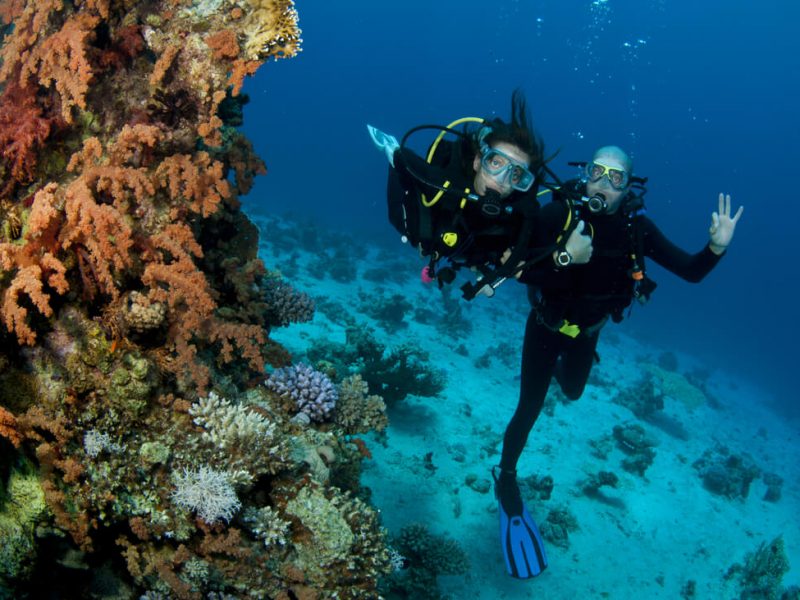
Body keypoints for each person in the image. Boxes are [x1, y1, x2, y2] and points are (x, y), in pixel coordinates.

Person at [493, 144, 743, 576]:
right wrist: (563, 254)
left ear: (629, 187)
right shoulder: (559, 215)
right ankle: (507, 478)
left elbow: (691, 270)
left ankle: (561, 374)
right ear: (584, 173)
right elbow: (512, 263)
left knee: (571, 391)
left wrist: (715, 248)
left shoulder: (636, 231)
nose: (603, 185)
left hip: (587, 335)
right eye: (597, 173)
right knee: (528, 408)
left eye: (616, 178)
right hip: (545, 328)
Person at [368, 91, 591, 299]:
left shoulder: (519, 221)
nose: (502, 178)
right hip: (438, 230)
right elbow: (403, 162)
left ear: (522, 182)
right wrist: (393, 151)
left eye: (516, 174)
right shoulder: (438, 188)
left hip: (474, 255)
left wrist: (567, 256)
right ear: (477, 161)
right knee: (407, 225)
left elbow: (543, 272)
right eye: (496, 162)